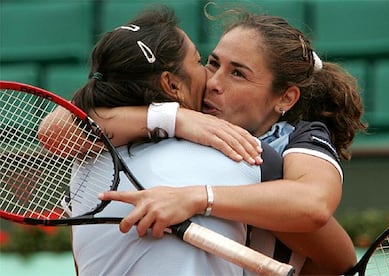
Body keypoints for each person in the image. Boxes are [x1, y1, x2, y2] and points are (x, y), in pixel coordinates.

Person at [94, 9, 367, 275]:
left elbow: (313, 204)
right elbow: (61, 125)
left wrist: (196, 198)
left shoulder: (298, 138)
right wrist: (175, 120)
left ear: (285, 98)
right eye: (212, 63)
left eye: (237, 73)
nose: (213, 81)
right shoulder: (180, 112)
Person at [39, 7, 284, 276]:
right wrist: (176, 119)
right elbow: (329, 249)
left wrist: (170, 119)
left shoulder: (84, 169)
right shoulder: (243, 154)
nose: (210, 77)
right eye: (199, 61)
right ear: (172, 84)